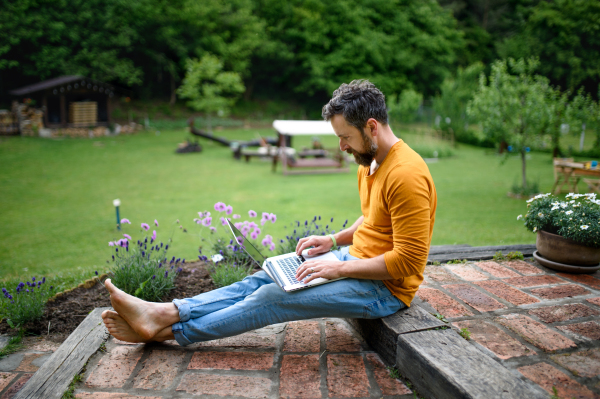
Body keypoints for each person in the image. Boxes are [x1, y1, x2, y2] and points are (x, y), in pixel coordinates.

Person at [102, 80, 437, 345]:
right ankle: (166, 312)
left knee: (272, 297)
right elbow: (375, 217)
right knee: (268, 274)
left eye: (345, 137)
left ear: (372, 127)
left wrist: (336, 270)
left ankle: (165, 333)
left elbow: (407, 262)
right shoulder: (371, 160)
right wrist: (333, 240)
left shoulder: (406, 174)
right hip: (353, 260)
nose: (342, 147)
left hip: (384, 290)